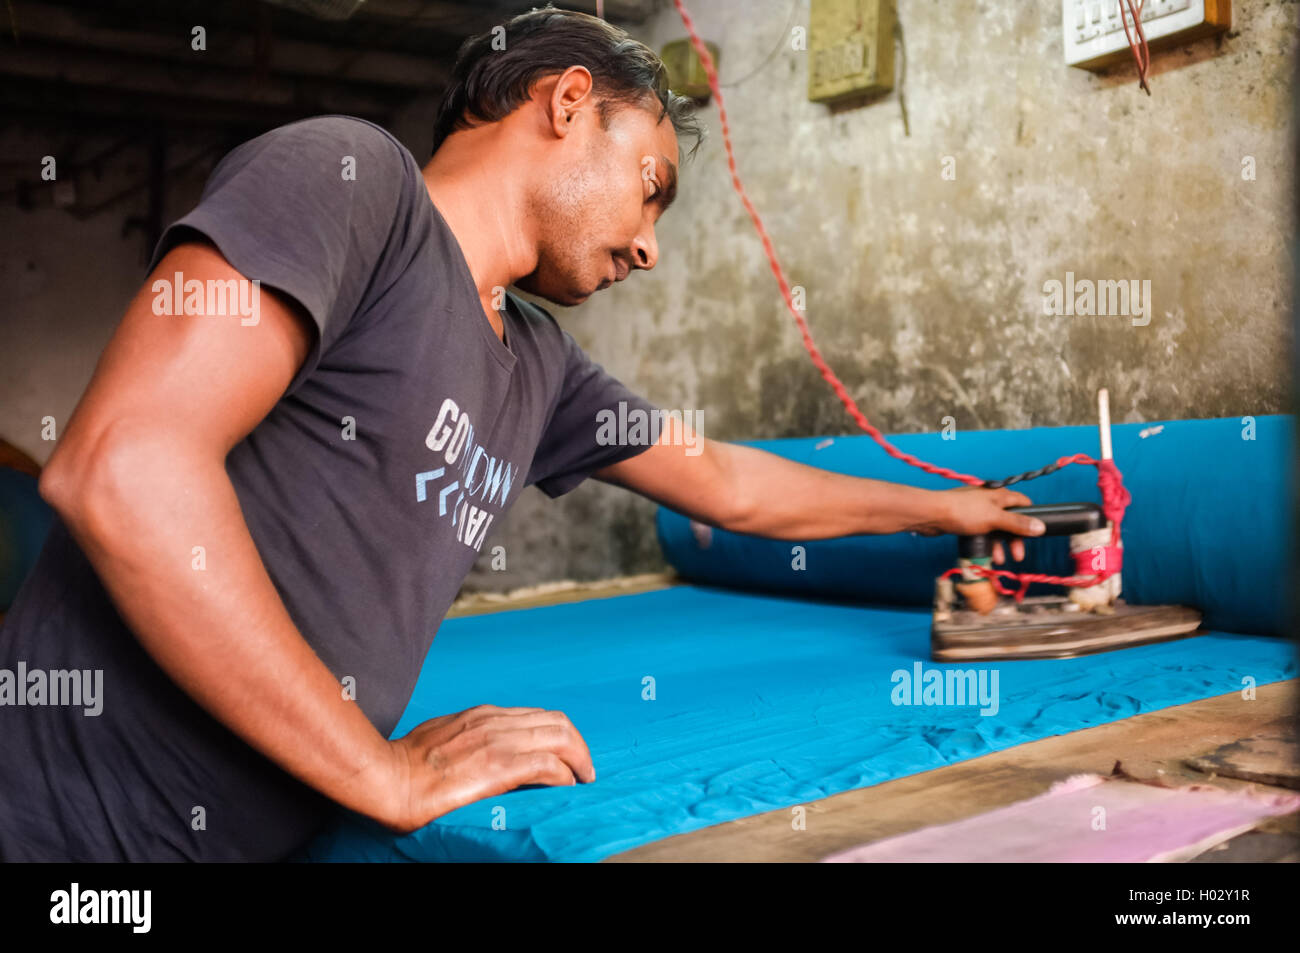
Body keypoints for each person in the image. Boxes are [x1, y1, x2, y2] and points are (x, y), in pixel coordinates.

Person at [0, 8, 1042, 861]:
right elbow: (123, 467)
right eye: (650, 188)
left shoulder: (538, 365)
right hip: (58, 830)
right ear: (568, 100)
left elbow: (731, 485)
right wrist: (383, 771)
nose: (648, 246)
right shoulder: (354, 187)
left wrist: (946, 506)